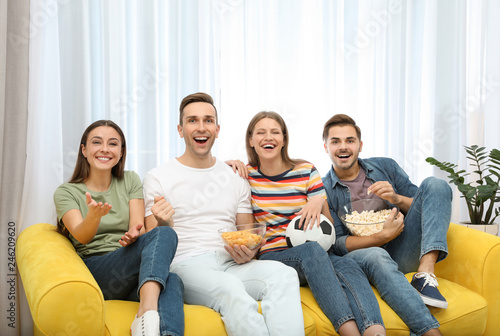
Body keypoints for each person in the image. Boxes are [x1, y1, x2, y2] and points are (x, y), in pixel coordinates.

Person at [142, 92, 305, 336]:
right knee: (230, 290)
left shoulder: (234, 176)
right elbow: (151, 243)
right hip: (186, 264)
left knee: (283, 275)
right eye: (193, 120)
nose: (201, 127)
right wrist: (164, 222)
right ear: (180, 129)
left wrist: (249, 250)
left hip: (232, 263)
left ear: (217, 129)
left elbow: (247, 233)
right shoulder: (158, 177)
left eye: (208, 120)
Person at [243, 111, 386, 336]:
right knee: (310, 251)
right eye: (260, 132)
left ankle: (375, 331)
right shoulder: (245, 175)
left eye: (275, 132)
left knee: (349, 266)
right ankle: (350, 332)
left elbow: (328, 225)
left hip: (317, 250)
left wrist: (319, 200)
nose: (268, 137)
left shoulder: (306, 170)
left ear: (284, 139)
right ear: (251, 140)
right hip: (275, 255)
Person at [322, 114, 452, 336]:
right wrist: (381, 237)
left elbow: (425, 203)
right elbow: (338, 244)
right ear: (326, 147)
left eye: (350, 140)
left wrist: (397, 199)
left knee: (436, 185)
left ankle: (425, 274)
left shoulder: (385, 167)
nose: (343, 147)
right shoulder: (324, 189)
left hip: (402, 248)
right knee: (375, 254)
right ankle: (429, 332)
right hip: (365, 258)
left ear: (360, 145)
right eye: (335, 141)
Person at [54, 120, 184, 336]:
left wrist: (134, 235)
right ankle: (147, 312)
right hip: (97, 270)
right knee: (164, 234)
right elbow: (81, 235)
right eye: (97, 142)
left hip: (128, 267)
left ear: (121, 152)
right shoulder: (66, 192)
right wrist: (93, 217)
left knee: (173, 280)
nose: (105, 149)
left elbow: (137, 226)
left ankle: (160, 331)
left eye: (113, 144)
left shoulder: (130, 180)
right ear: (84, 150)